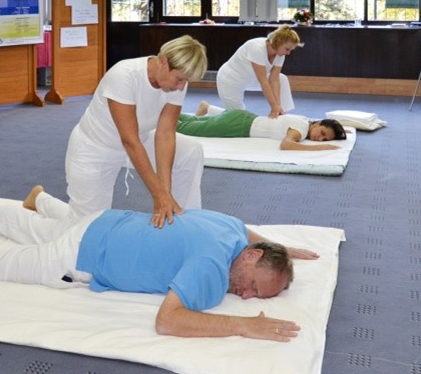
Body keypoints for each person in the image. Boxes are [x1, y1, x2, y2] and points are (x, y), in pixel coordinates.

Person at [0, 188, 319, 342]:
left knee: (40, 229)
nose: (246, 296)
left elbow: (248, 230)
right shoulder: (212, 272)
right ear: (250, 258)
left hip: (102, 223)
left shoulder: (229, 229)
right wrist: (243, 327)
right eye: (254, 285)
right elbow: (168, 320)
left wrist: (280, 247)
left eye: (255, 297)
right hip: (79, 258)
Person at [63, 35, 208, 228]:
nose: (181, 86)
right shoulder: (124, 75)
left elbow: (165, 135)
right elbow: (129, 141)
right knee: (85, 227)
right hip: (95, 148)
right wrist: (159, 195)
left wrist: (165, 192)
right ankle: (39, 201)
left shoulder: (177, 83)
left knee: (190, 150)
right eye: (179, 79)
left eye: (186, 81)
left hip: (140, 140)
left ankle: (181, 223)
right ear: (163, 62)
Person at [177, 101, 345, 151]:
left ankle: (168, 112)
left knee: (193, 121)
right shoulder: (300, 130)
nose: (319, 138)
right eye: (322, 133)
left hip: (243, 116)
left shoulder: (303, 120)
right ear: (318, 123)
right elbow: (286, 145)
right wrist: (322, 147)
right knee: (185, 128)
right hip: (238, 125)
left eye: (324, 139)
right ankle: (163, 117)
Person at [216, 24, 302, 118]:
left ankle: (282, 115)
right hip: (230, 80)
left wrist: (278, 105)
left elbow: (274, 80)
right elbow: (264, 82)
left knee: (282, 79)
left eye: (291, 50)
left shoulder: (280, 54)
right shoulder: (256, 48)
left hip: (250, 79)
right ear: (278, 42)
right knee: (238, 118)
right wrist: (274, 106)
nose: (288, 53)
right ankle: (208, 108)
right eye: (287, 49)